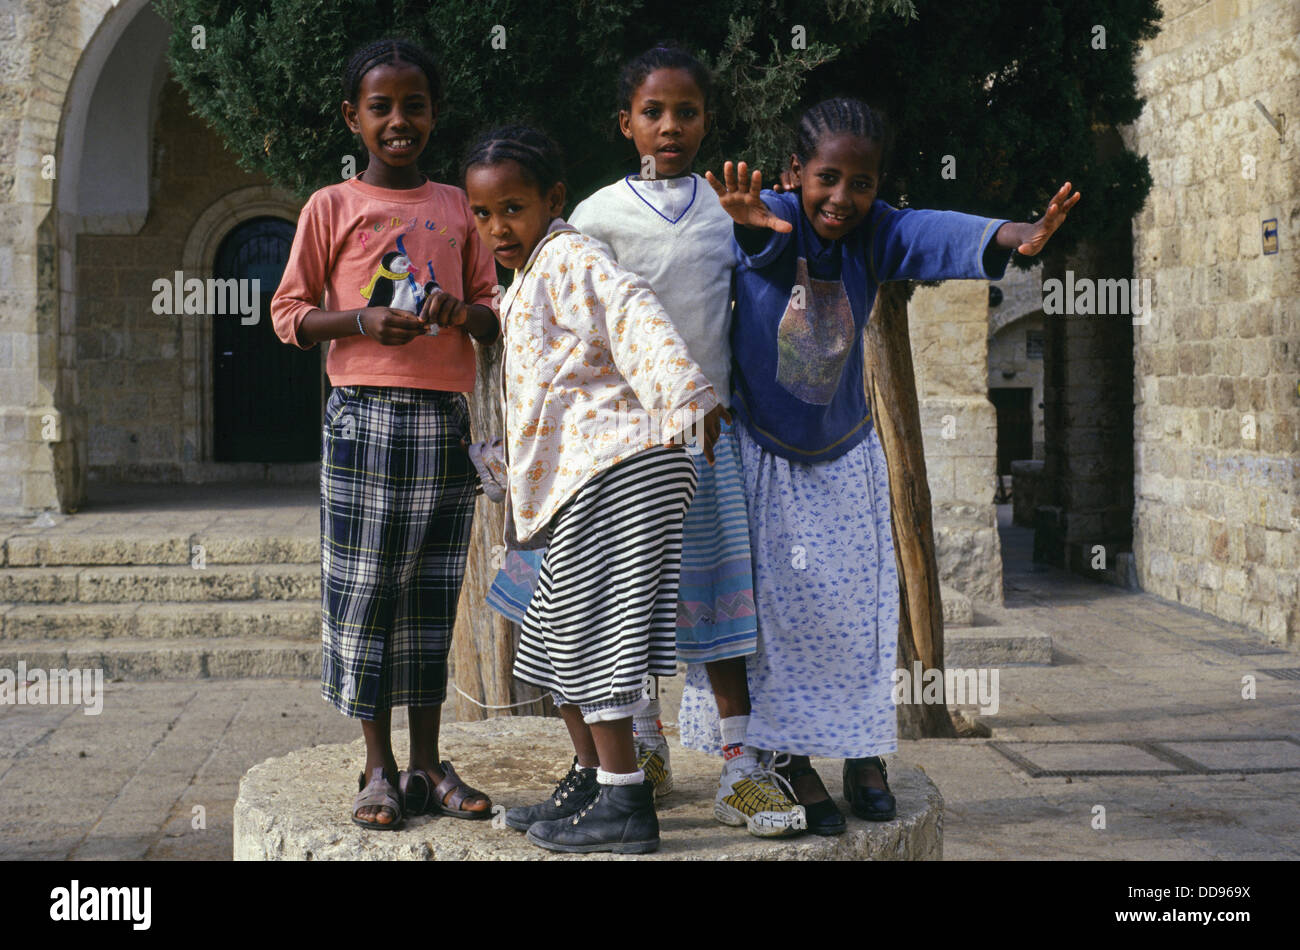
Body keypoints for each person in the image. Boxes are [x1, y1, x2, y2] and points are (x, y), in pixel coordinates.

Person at [691, 96, 1079, 835]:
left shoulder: (878, 232)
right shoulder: (761, 215)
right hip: (762, 460)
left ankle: (863, 755)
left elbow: (933, 230)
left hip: (845, 460)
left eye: (862, 183)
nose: (843, 198)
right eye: (827, 180)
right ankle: (787, 758)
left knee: (858, 617)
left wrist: (1014, 234)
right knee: (772, 618)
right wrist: (757, 230)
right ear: (794, 173)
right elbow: (763, 252)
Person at [484, 45, 805, 838]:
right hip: (599, 455)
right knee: (581, 612)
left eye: (686, 112)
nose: (670, 127)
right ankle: (627, 762)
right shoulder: (591, 219)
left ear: (706, 121)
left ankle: (740, 771)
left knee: (714, 604)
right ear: (624, 124)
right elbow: (558, 326)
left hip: (702, 431)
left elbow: (765, 293)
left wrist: (768, 229)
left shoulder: (726, 205)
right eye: (652, 113)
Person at [463, 124, 726, 854]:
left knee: (591, 634)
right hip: (586, 477)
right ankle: (591, 776)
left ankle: (625, 803)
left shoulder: (571, 256)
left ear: (552, 200)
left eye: (512, 209)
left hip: (624, 465)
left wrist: (685, 395)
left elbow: (631, 309)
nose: (497, 229)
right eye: (482, 215)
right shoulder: (525, 283)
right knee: (548, 638)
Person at [270, 37, 500, 831]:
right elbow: (289, 314)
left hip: (445, 423)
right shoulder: (331, 207)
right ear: (353, 118)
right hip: (364, 421)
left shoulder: (457, 206)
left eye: (415, 105)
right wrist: (361, 319)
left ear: (434, 114)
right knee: (369, 594)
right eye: (382, 107)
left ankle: (429, 764)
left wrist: (457, 314)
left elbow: (492, 311)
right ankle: (377, 764)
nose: (399, 120)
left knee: (432, 594)